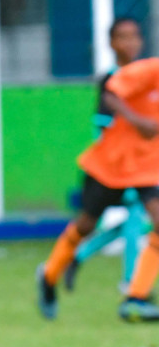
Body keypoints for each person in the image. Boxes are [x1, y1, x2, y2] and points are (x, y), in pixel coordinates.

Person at [36, 16, 159, 322]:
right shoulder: (131, 75)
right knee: (86, 225)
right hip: (110, 168)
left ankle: (136, 296)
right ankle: (50, 275)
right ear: (111, 42)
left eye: (134, 37)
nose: (129, 43)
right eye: (123, 37)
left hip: (145, 168)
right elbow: (110, 100)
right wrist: (139, 123)